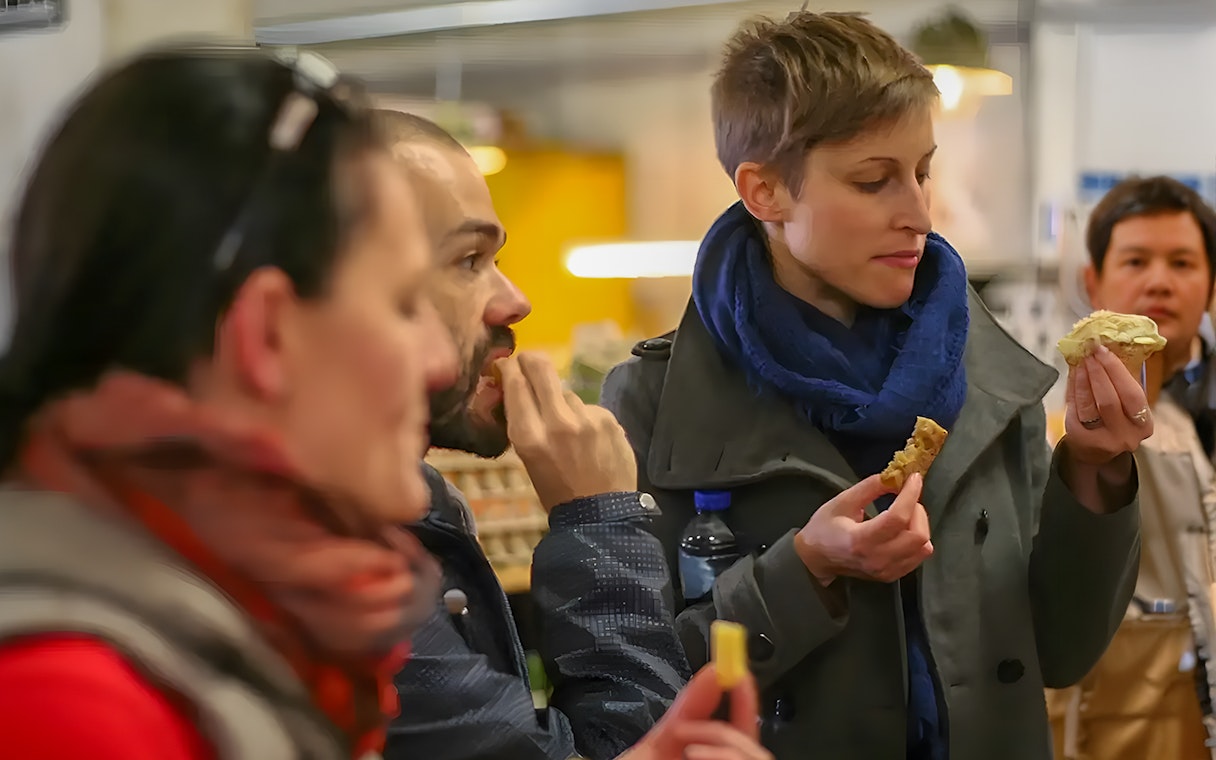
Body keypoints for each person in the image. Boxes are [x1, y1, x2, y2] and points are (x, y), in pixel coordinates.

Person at [601, 11, 1150, 760]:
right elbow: (638, 691)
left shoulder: (988, 375)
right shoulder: (652, 404)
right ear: (764, 193)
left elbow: (1061, 650)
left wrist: (1096, 472)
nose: (919, 213)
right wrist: (807, 570)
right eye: (874, 181)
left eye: (923, 170)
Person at [0, 48, 456, 759]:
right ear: (266, 334)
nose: (439, 360)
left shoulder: (224, 618)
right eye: (402, 305)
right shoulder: (70, 709)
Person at [375, 110, 770, 760]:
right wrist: (598, 520)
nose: (515, 301)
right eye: (468, 260)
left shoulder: (415, 504)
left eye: (495, 258)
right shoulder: (344, 567)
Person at [1046, 176, 1216, 759]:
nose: (1159, 281)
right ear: (1094, 282)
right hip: (1110, 727)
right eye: (1136, 260)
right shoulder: (1054, 432)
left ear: (1212, 285)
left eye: (1183, 262)